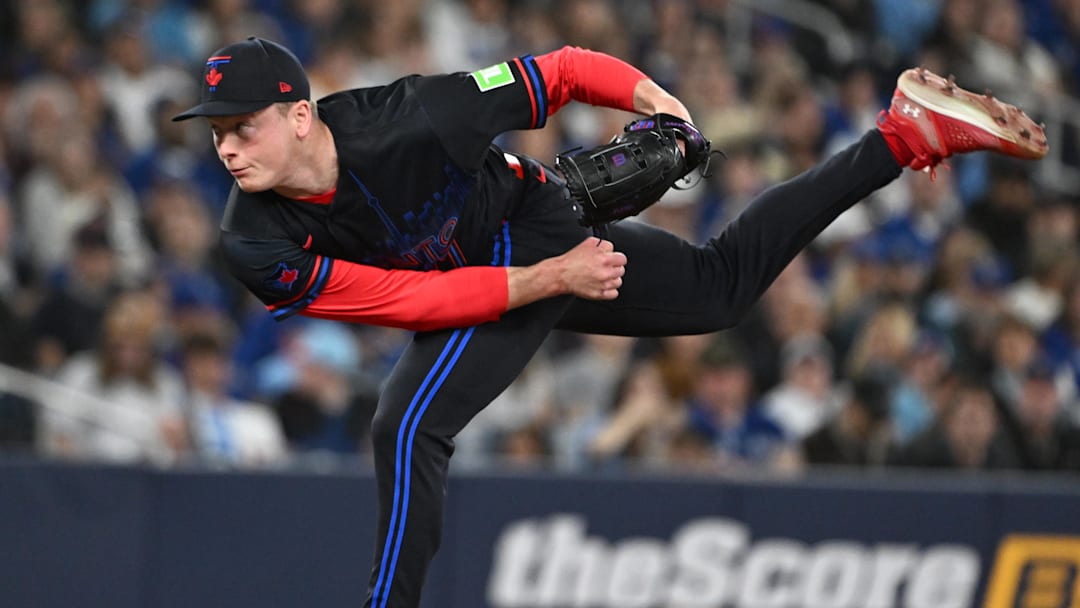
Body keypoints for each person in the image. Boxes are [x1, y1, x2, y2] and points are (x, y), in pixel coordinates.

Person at [172, 36, 1047, 607]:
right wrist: (548, 281)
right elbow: (411, 304)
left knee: (711, 294)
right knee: (409, 424)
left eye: (240, 126)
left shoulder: (417, 116)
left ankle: (902, 135)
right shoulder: (254, 241)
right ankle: (903, 135)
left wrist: (656, 100)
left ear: (298, 115)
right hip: (494, 270)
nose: (226, 147)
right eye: (215, 133)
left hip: (527, 216)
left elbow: (559, 72)